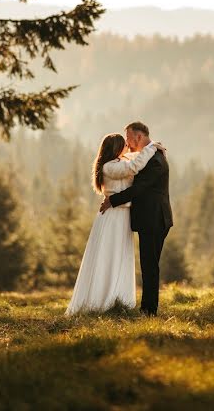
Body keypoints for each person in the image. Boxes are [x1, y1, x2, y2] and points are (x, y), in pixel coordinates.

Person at [65, 132, 160, 315]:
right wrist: (151, 147)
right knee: (109, 256)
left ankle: (118, 299)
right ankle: (102, 301)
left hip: (122, 216)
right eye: (124, 144)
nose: (127, 147)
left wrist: (147, 147)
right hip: (113, 217)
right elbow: (133, 167)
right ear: (116, 148)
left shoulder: (116, 163)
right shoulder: (110, 167)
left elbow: (133, 157)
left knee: (120, 256)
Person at [100, 121, 173, 316]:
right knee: (149, 265)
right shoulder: (149, 155)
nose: (127, 143)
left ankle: (149, 311)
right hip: (150, 219)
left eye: (129, 138)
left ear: (138, 137)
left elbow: (138, 189)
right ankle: (147, 309)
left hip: (155, 219)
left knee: (150, 266)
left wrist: (112, 200)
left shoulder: (155, 160)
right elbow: (132, 162)